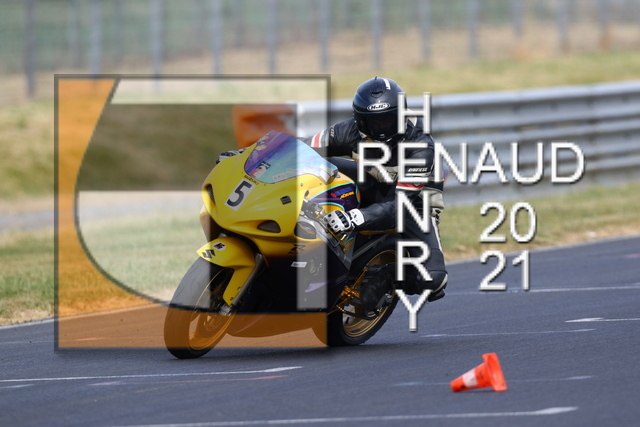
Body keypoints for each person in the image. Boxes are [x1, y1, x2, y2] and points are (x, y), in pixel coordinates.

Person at [308, 77, 448, 306]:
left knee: (434, 280)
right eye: (372, 122)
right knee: (320, 164)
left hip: (414, 205)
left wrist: (355, 217)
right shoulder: (349, 130)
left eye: (388, 120)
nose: (381, 128)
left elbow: (399, 206)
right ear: (359, 120)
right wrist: (255, 151)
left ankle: (390, 275)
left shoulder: (420, 146)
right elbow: (301, 147)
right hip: (373, 183)